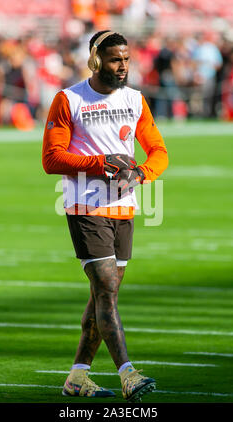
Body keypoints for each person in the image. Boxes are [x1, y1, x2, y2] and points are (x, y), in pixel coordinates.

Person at [42, 30, 168, 402]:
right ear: (96, 60)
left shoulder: (134, 99)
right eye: (116, 59)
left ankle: (77, 377)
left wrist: (143, 173)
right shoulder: (69, 100)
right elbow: (52, 159)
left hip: (124, 208)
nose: (123, 66)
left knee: (102, 295)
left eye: (127, 59)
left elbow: (158, 149)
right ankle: (128, 373)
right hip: (86, 208)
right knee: (107, 293)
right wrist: (101, 164)